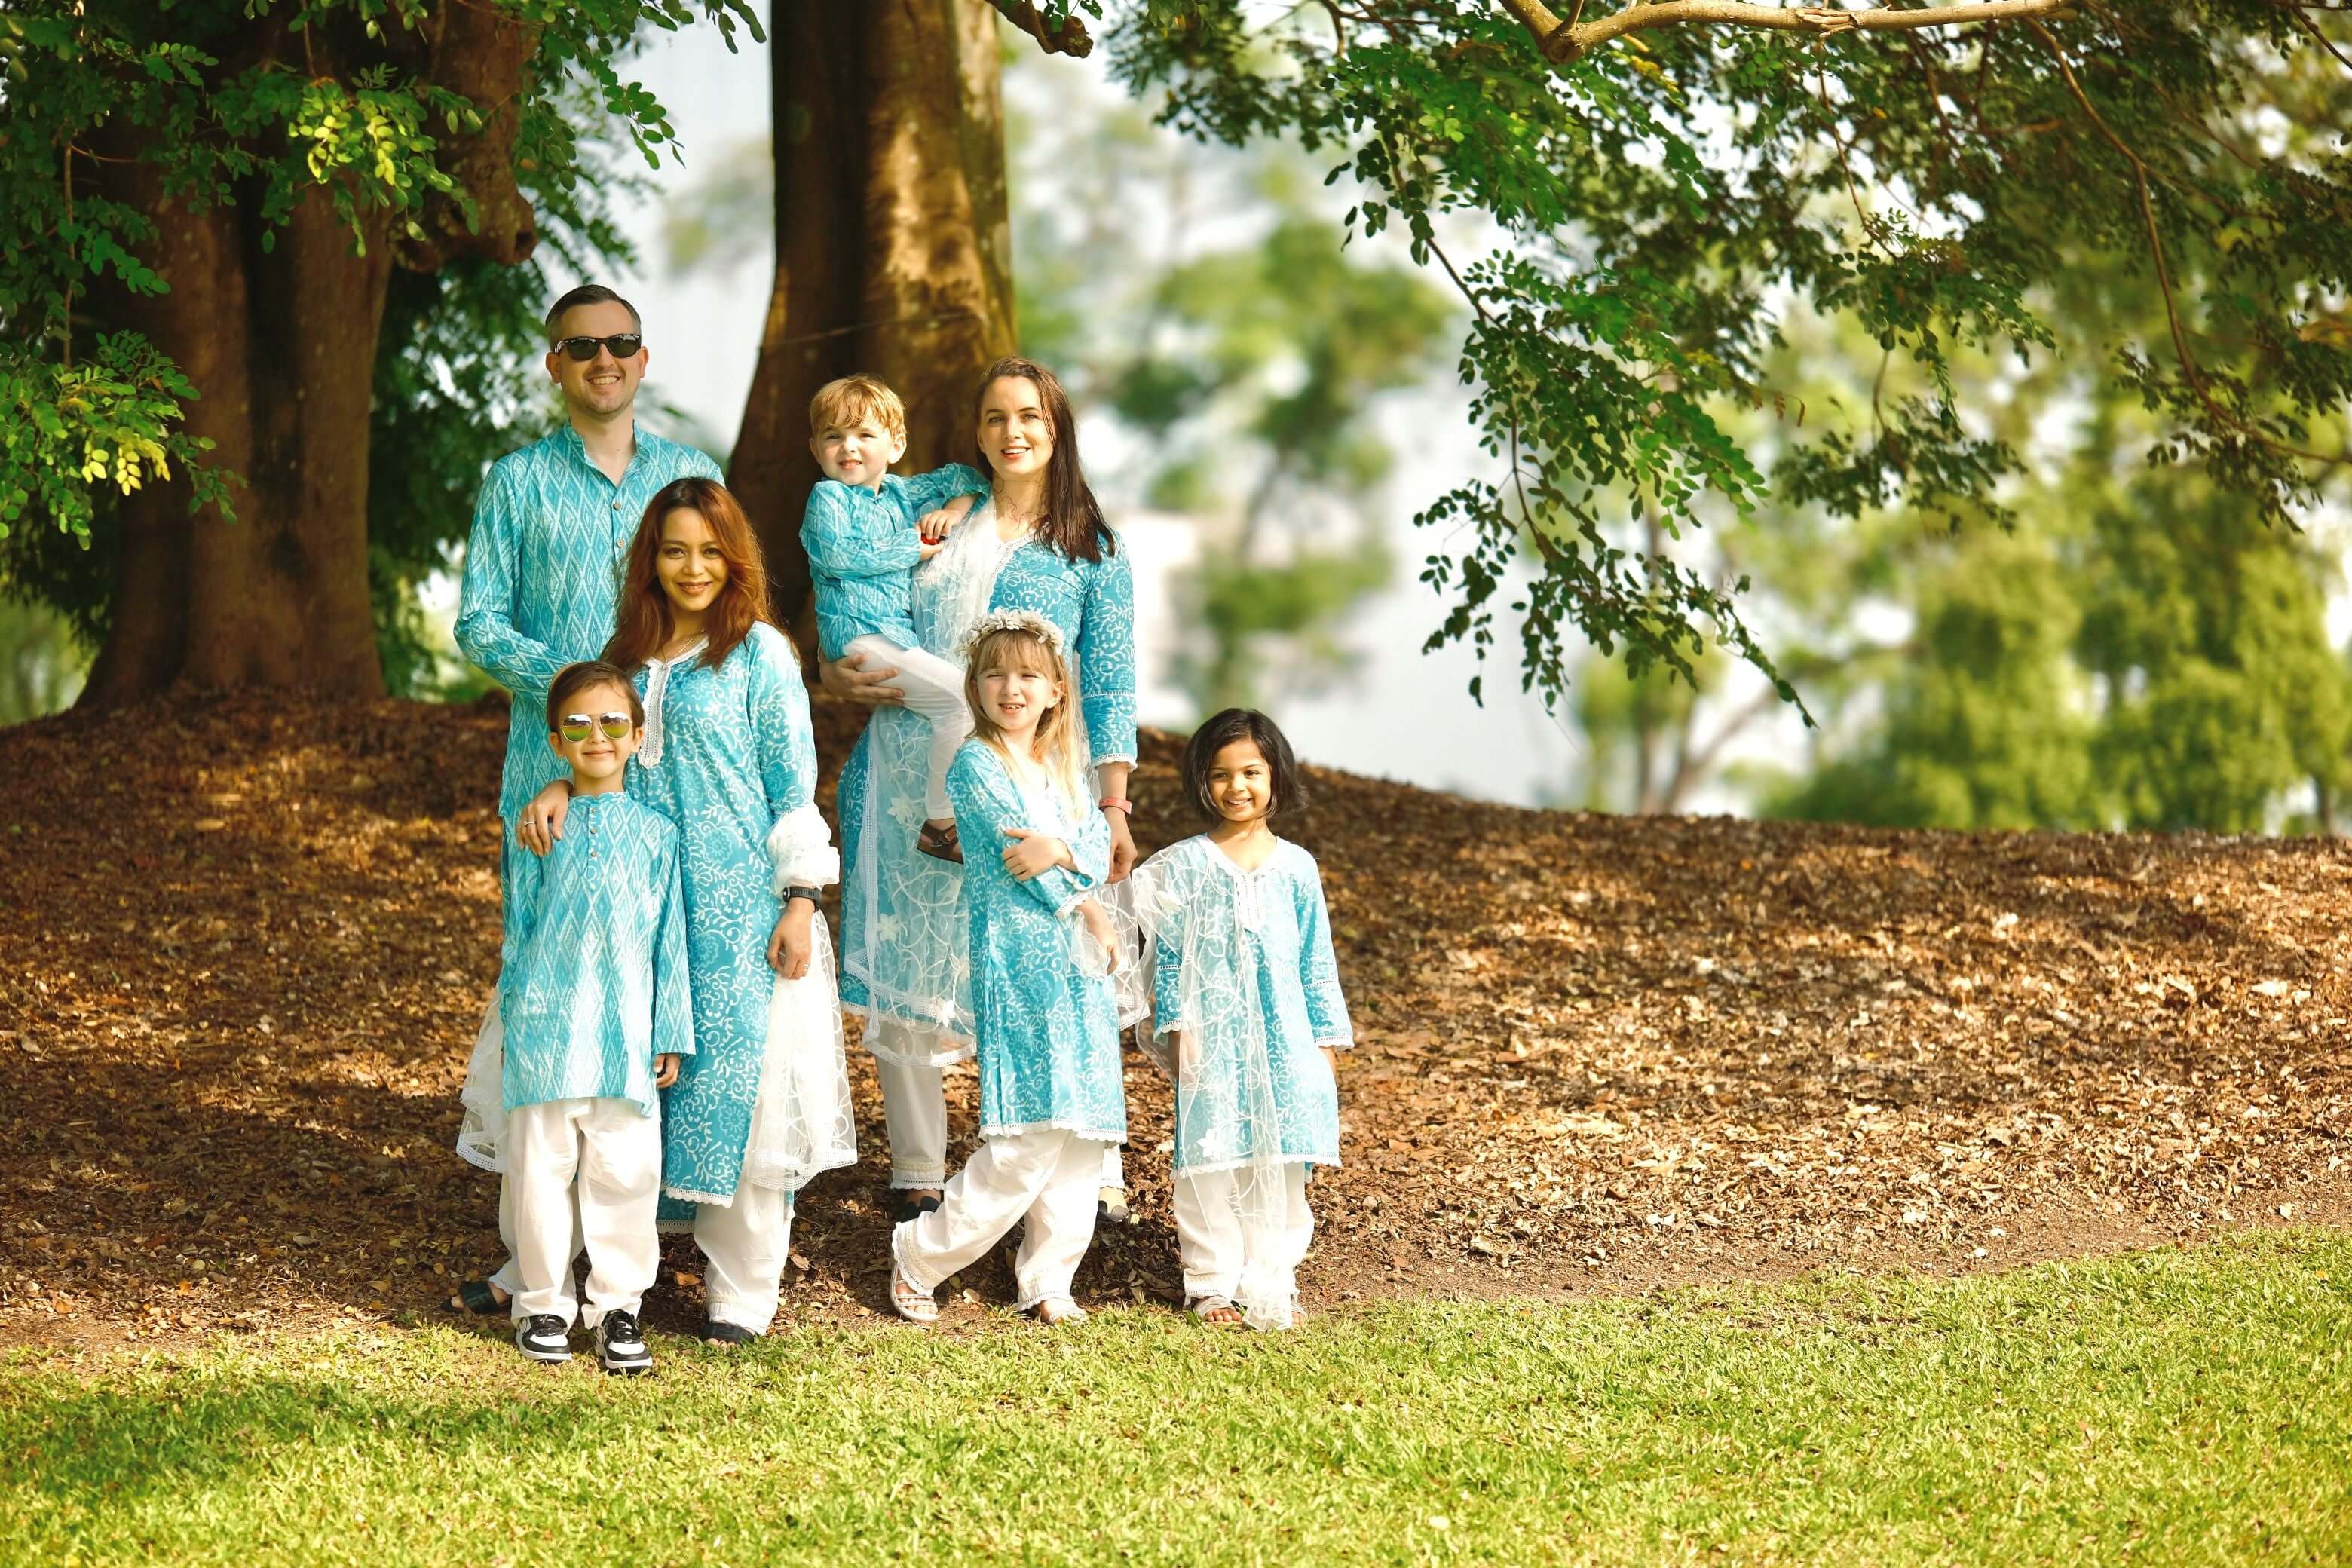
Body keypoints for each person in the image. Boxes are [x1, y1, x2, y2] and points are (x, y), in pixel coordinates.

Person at [521, 477, 855, 1344]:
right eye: (675, 550)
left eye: (710, 550)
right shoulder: (627, 656)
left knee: (738, 1086)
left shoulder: (760, 655)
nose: (693, 567)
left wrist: (800, 899)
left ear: (735, 557)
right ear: (652, 559)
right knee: (623, 1079)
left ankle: (740, 1291)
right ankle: (574, 1271)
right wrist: (561, 784)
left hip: (739, 904)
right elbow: (596, 742)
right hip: (632, 908)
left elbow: (792, 785)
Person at [447, 283, 721, 1318]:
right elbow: (479, 623)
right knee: (548, 988)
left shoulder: (691, 478)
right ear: (554, 363)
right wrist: (579, 699)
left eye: (621, 343)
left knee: (653, 982)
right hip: (547, 769)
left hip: (665, 767)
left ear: (643, 359)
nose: (604, 360)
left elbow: (721, 605)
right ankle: (532, 1264)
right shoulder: (516, 481)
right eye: (582, 346)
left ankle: (636, 1252)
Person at [822, 357, 1138, 1225]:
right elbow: (853, 599)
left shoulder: (1091, 550)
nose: (1012, 432)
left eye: (1029, 415)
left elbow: (1110, 684)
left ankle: (1087, 1164)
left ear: (1057, 427)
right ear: (977, 431)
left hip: (1034, 785)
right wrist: (831, 669)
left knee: (1057, 967)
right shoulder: (932, 515)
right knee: (909, 967)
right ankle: (918, 1171)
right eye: (996, 417)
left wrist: (1113, 804)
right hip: (905, 773)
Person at [889, 613, 1123, 1326]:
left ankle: (1048, 1279)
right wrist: (1080, 892)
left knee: (1080, 1133)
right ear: (975, 686)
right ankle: (920, 1254)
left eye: (1028, 676)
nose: (1011, 688)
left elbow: (1091, 843)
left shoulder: (1064, 770)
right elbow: (1021, 859)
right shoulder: (976, 765)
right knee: (1027, 1132)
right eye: (995, 674)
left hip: (1079, 970)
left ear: (1056, 690)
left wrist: (1066, 853)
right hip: (1019, 961)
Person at [1124, 709, 1351, 1331]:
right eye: (1221, 774)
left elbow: (1316, 962)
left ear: (1276, 774)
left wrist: (1326, 1044)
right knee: (1209, 1158)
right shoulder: (1185, 865)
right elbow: (1170, 957)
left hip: (1287, 1037)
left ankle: (1272, 1279)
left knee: (1282, 1164)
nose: (1237, 786)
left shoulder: (1298, 867)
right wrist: (1179, 1029)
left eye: (1251, 771)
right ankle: (1211, 1283)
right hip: (1212, 1036)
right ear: (1202, 780)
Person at [497, 660, 692, 1371]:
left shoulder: (658, 835)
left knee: (625, 1173)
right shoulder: (540, 827)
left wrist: (670, 1029)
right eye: (578, 725)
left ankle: (618, 1308)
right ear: (556, 742)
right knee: (539, 1171)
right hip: (548, 1028)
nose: (598, 737)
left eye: (613, 722)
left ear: (638, 736)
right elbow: (518, 927)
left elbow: (670, 940)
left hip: (626, 1034)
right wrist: (516, 1015)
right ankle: (541, 1303)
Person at [799, 374, 991, 861]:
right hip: (858, 635)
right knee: (961, 698)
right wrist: (914, 545)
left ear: (896, 445)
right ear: (816, 449)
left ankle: (951, 812)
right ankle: (941, 824)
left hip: (893, 637)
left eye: (865, 434)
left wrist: (953, 511)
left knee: (955, 702)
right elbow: (839, 555)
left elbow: (968, 478)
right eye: (834, 436)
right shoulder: (828, 498)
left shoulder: (902, 494)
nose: (849, 447)